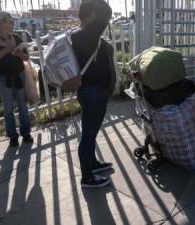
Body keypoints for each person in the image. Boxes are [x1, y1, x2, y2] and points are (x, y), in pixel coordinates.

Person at [71, 0, 116, 188]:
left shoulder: (80, 36)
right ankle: (87, 177)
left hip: (93, 92)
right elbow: (106, 13)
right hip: (93, 93)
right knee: (89, 136)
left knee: (90, 133)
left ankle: (92, 164)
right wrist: (97, 5)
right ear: (92, 16)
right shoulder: (86, 34)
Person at [0, 11, 33, 147]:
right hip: (3, 78)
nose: (12, 24)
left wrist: (19, 54)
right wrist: (7, 50)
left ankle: (26, 133)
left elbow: (26, 57)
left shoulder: (16, 37)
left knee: (23, 106)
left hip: (19, 76)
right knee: (8, 109)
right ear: (1, 24)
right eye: (10, 21)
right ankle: (12, 136)